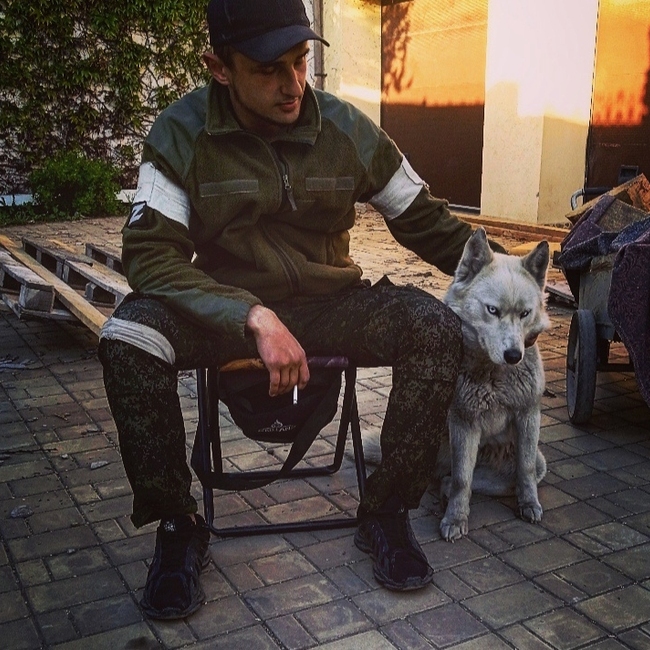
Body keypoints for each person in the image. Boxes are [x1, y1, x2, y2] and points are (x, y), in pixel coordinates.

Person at [99, 0, 502, 620]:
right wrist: (251, 315)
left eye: (301, 61)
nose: (292, 86)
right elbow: (150, 257)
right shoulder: (181, 134)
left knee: (434, 328)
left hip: (330, 305)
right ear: (220, 68)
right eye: (269, 70)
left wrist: (506, 275)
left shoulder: (347, 130)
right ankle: (178, 526)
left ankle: (386, 511)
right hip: (228, 312)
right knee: (129, 336)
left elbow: (426, 222)